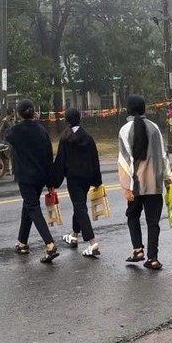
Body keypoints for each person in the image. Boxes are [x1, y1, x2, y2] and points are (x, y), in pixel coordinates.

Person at [119, 95, 172, 270]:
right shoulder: (155, 128)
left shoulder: (125, 129)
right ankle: (153, 258)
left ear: (128, 109)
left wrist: (126, 187)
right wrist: (168, 178)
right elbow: (164, 155)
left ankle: (138, 250)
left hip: (135, 185)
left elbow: (124, 160)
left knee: (132, 216)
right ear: (144, 109)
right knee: (153, 222)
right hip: (155, 184)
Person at [4, 98, 59, 262]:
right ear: (34, 111)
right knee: (27, 207)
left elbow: (5, 136)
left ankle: (49, 243)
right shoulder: (42, 130)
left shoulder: (16, 130)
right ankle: (22, 242)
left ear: (19, 113)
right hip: (41, 177)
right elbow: (49, 157)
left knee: (33, 207)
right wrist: (50, 183)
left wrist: (12, 121)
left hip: (26, 177)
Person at [52, 108, 103, 257]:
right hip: (87, 178)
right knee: (79, 205)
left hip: (73, 179)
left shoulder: (65, 138)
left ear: (67, 120)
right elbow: (95, 160)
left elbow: (60, 161)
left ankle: (92, 242)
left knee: (80, 207)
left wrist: (54, 181)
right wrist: (97, 180)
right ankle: (74, 235)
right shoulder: (88, 137)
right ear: (79, 119)